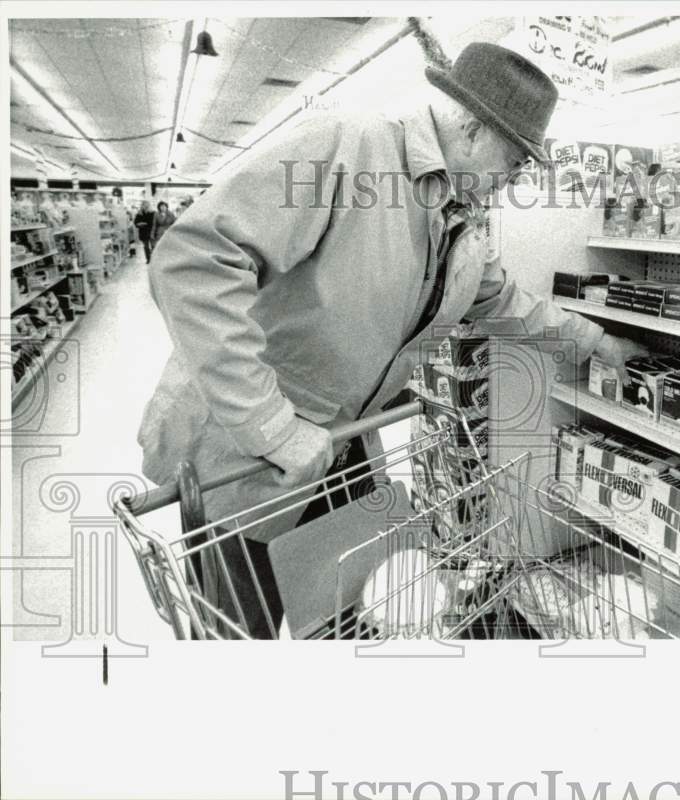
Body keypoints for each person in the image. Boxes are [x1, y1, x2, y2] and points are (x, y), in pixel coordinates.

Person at [138, 42, 643, 638]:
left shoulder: (460, 215)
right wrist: (271, 426)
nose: (517, 178)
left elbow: (500, 299)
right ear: (474, 128)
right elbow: (195, 261)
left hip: (341, 447)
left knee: (345, 613)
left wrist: (598, 341)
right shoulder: (345, 148)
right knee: (238, 631)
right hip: (246, 455)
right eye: (517, 159)